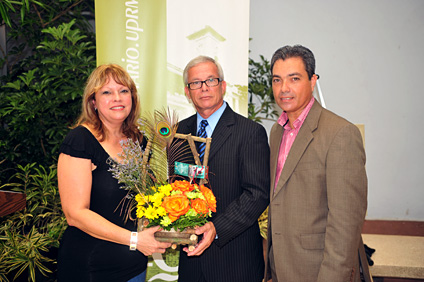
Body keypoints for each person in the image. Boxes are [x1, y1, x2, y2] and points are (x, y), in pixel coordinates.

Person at [57, 64, 171, 282]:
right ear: (94, 102)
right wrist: (135, 240)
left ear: (132, 98)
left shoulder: (140, 141)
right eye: (107, 92)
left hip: (135, 267)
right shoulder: (81, 141)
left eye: (124, 91)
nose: (117, 98)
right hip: (92, 268)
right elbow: (75, 214)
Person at [265, 45, 368, 282]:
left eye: (294, 79)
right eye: (277, 80)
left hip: (317, 271)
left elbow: (345, 224)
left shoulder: (340, 133)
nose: (284, 89)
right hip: (280, 268)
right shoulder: (276, 131)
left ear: (313, 81)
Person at [173, 56, 270, 282]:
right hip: (191, 263)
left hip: (235, 262)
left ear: (223, 86)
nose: (204, 88)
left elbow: (257, 194)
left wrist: (216, 228)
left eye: (211, 80)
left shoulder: (249, 132)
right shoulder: (177, 132)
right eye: (195, 83)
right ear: (187, 92)